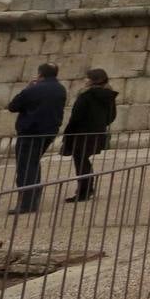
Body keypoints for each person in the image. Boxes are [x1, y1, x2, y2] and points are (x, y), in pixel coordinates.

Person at [6, 62, 67, 215]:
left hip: (30, 132)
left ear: (40, 74)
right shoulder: (60, 89)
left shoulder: (33, 90)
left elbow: (13, 106)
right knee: (33, 163)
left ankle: (27, 203)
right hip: (48, 132)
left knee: (25, 166)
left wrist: (28, 88)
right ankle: (33, 197)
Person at [60, 68, 117, 203]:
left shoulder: (86, 96)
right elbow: (111, 116)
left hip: (81, 133)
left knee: (81, 161)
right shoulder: (108, 95)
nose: (85, 80)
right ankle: (87, 188)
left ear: (92, 80)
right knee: (83, 160)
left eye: (87, 78)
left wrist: (69, 132)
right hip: (97, 132)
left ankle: (84, 191)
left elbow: (76, 117)